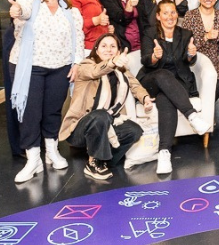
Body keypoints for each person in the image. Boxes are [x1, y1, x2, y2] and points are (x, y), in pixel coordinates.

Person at [8, 0, 83, 184]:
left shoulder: (70, 10)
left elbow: (77, 38)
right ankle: (33, 159)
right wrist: (17, 12)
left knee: (52, 111)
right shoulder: (28, 1)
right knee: (30, 113)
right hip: (29, 67)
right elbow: (22, 11)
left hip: (60, 68)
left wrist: (77, 63)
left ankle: (51, 151)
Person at [60, 34, 151, 182]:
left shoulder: (121, 70)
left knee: (134, 130)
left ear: (118, 50)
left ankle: (103, 161)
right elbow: (95, 71)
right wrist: (112, 62)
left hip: (107, 122)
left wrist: (145, 98)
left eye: (113, 46)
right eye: (104, 46)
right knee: (101, 115)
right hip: (80, 128)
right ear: (96, 49)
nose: (108, 49)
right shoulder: (85, 65)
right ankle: (93, 163)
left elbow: (134, 85)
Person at [138, 0, 210, 175]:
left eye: (173, 13)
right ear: (158, 16)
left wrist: (191, 55)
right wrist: (155, 57)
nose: (170, 17)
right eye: (165, 13)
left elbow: (188, 61)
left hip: (177, 84)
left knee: (165, 99)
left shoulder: (185, 34)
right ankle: (192, 115)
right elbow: (145, 60)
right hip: (152, 79)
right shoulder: (150, 33)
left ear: (177, 15)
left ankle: (164, 153)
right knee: (163, 75)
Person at [0, 0, 51, 157]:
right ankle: (24, 146)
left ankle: (45, 143)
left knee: (45, 96)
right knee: (20, 95)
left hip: (47, 46)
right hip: (20, 44)